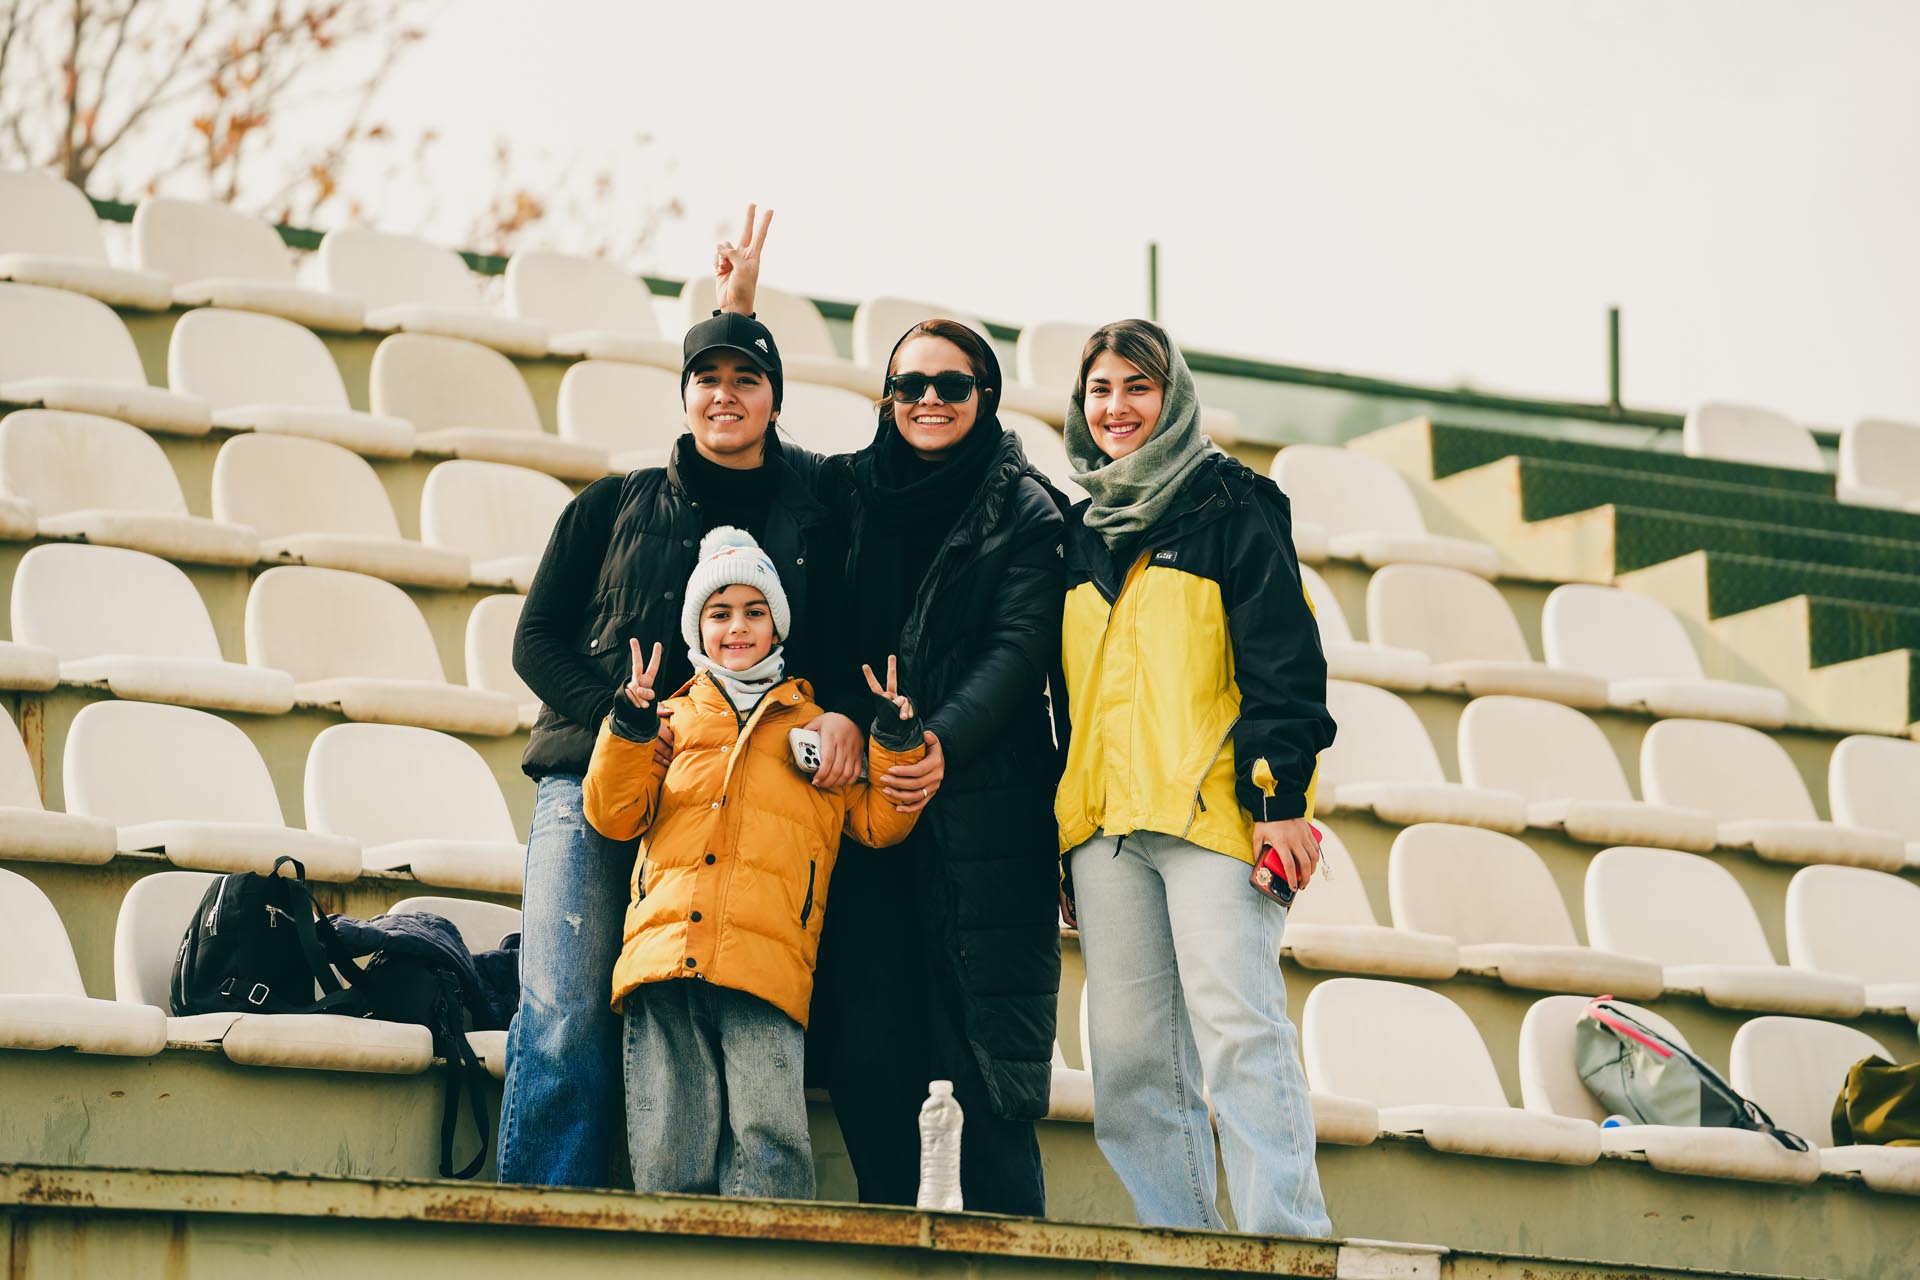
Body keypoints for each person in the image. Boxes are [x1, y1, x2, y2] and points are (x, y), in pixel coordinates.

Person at [498, 206, 945, 1188]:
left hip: (740, 780)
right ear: (684, 394)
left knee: (713, 999)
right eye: (708, 377)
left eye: (748, 379)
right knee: (567, 1005)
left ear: (777, 401)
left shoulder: (818, 505)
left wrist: (845, 711)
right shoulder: (610, 505)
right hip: (594, 774)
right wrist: (630, 720)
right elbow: (533, 641)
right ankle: (540, 1216)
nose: (726, 395)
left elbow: (845, 635)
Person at [1054, 319, 1335, 1238]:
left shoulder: (1235, 504)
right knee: (1130, 1062)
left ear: (1172, 396)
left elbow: (1285, 663)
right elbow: (1069, 698)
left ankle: (1287, 1247)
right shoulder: (1075, 532)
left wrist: (1279, 803)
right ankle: (1181, 1244)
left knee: (1240, 1037)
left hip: (1214, 818)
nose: (1117, 407)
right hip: (1105, 833)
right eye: (1100, 389)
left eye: (1138, 387)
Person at [581, 526, 930, 1198]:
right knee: (668, 1151)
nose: (737, 627)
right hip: (664, 962)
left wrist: (894, 736)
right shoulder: (669, 719)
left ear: (777, 625)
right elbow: (612, 813)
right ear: (698, 627)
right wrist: (626, 725)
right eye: (719, 613)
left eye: (753, 611)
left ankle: (773, 1255)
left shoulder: (817, 728)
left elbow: (880, 823)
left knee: (769, 1149)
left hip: (766, 967)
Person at [809, 317, 1069, 1217]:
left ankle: (1010, 1258)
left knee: (980, 1062)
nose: (929, 400)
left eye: (951, 385)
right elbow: (811, 615)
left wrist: (938, 744)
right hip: (859, 810)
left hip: (984, 812)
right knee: (870, 1057)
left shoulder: (1029, 508)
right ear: (887, 398)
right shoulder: (842, 490)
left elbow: (1018, 647)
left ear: (985, 397)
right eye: (909, 385)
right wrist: (842, 716)